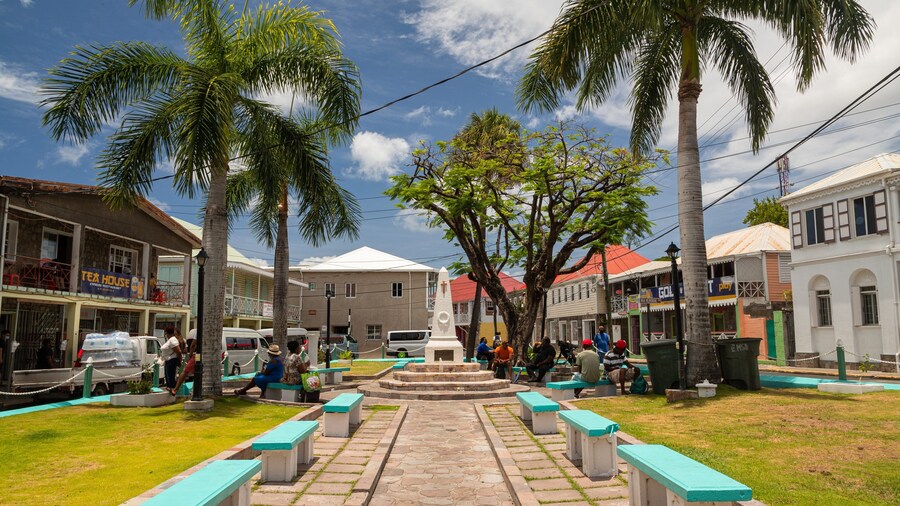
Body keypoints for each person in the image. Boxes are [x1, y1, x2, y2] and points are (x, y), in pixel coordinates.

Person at [159, 327, 183, 395]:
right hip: (168, 360)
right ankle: (170, 388)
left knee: (171, 376)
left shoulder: (173, 340)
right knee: (168, 375)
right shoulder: (170, 340)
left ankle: (173, 389)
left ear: (167, 333)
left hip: (172, 359)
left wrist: (179, 361)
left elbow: (179, 352)